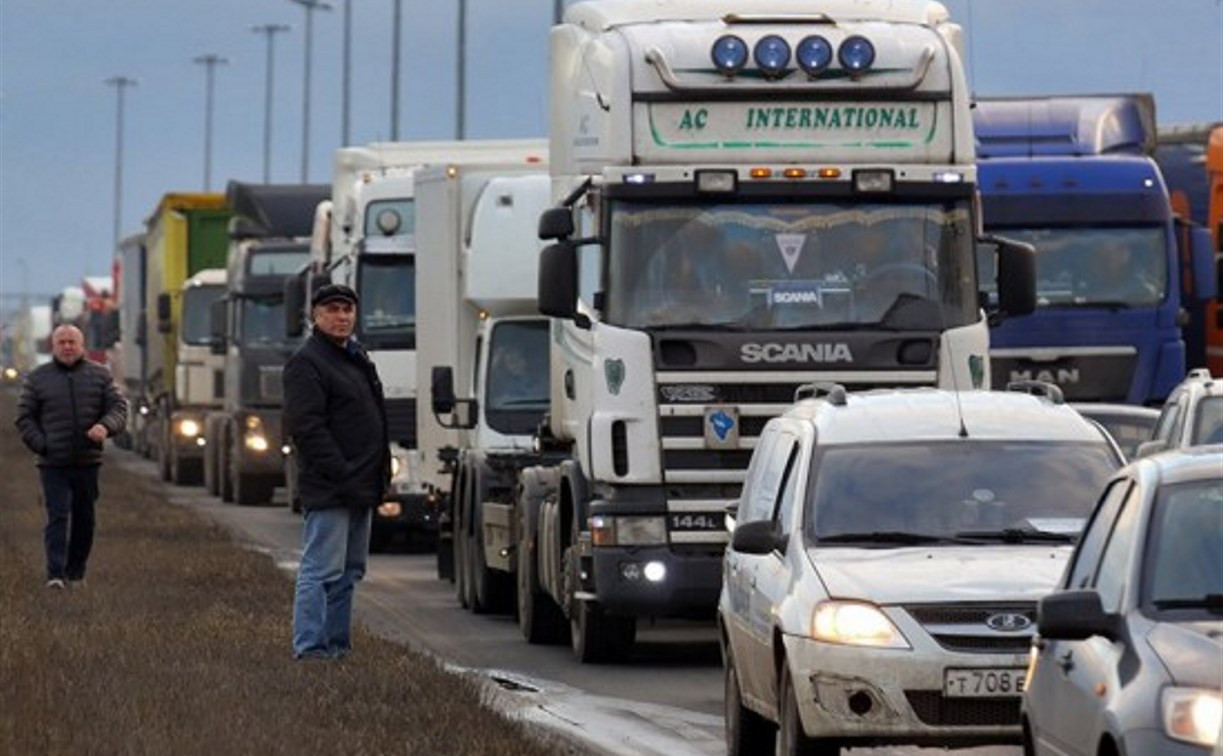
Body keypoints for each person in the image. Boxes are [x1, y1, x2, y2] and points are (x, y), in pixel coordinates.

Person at [282, 283, 390, 660]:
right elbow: (307, 427)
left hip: (362, 485)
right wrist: (341, 471)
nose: (342, 317)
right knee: (321, 571)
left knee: (349, 573)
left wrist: (379, 475)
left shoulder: (357, 358)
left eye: (348, 310)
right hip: (330, 487)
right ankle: (311, 650)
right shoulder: (307, 363)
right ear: (315, 315)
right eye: (332, 310)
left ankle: (337, 648)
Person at [14, 324, 128, 589]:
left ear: (82, 345)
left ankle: (76, 573)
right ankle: (55, 574)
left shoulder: (100, 376)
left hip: (88, 461)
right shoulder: (37, 378)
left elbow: (119, 408)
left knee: (84, 519)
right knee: (58, 516)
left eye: (72, 342)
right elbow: (24, 417)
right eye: (62, 342)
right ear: (53, 346)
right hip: (52, 463)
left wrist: (105, 426)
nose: (67, 347)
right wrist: (42, 445)